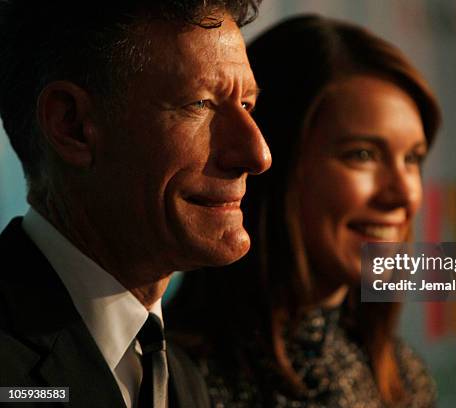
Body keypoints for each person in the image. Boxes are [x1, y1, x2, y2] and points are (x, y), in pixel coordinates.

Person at [0, 1, 270, 407]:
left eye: (247, 105)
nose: (257, 153)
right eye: (199, 104)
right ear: (71, 126)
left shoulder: (182, 378)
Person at [168, 14, 441, 408]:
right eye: (363, 155)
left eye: (413, 158)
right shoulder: (173, 381)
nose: (404, 194)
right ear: (265, 158)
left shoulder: (401, 374)